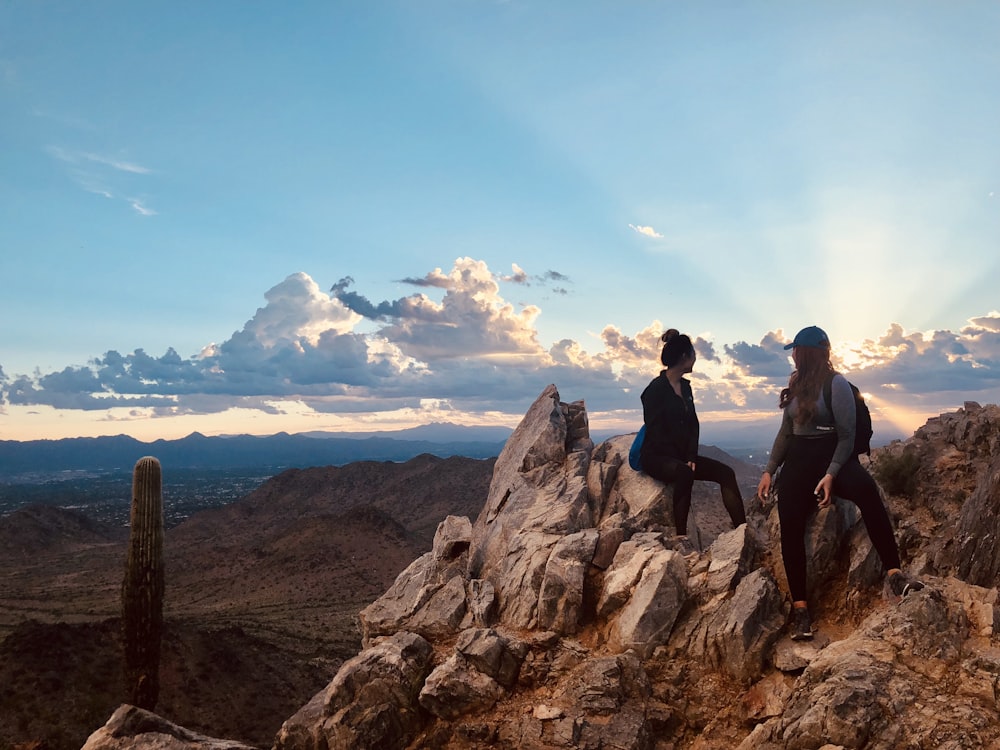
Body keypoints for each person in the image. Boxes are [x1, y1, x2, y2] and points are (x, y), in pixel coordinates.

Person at [756, 325, 923, 640]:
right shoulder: (795, 385)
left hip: (833, 456)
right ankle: (801, 610)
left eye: (796, 350)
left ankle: (894, 573)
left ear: (807, 353)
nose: (792, 355)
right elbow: (785, 434)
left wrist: (831, 474)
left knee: (867, 493)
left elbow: (846, 436)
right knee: (790, 522)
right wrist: (769, 469)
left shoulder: (838, 384)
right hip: (798, 461)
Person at [639, 329, 747, 545]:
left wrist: (691, 454)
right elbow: (655, 430)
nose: (695, 358)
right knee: (685, 473)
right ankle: (681, 537)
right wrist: (680, 458)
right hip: (656, 456)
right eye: (693, 354)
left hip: (680, 455)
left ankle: (743, 531)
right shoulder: (655, 389)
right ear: (684, 357)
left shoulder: (686, 387)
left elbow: (693, 424)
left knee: (726, 473)